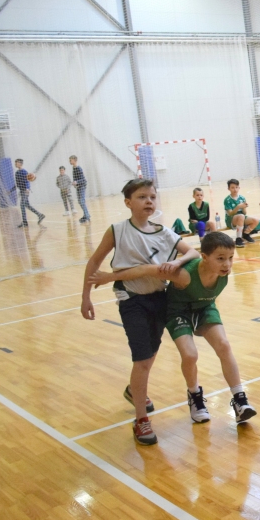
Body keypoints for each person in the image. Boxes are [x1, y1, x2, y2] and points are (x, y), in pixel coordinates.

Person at [89, 231, 257, 426]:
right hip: (178, 312)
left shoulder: (222, 273)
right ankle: (195, 396)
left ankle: (240, 400)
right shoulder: (184, 275)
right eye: (220, 258)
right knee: (190, 355)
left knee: (224, 346)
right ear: (204, 257)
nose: (227, 264)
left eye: (230, 258)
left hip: (204, 307)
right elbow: (146, 270)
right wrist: (109, 277)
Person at [81, 178, 199, 445]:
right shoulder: (118, 230)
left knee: (150, 354)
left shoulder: (163, 232)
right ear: (128, 202)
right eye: (142, 197)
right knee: (143, 359)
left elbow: (192, 252)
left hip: (160, 298)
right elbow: (95, 261)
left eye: (152, 197)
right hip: (132, 300)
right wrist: (86, 297)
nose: (149, 201)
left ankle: (133, 390)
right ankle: (141, 420)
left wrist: (178, 261)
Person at [224, 179, 259, 248]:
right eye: (232, 187)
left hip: (241, 217)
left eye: (236, 187)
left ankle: (246, 234)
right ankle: (238, 238)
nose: (235, 189)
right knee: (241, 216)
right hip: (231, 219)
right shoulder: (227, 200)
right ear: (228, 189)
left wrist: (243, 207)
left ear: (239, 188)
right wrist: (238, 207)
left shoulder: (242, 198)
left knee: (256, 220)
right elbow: (230, 213)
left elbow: (244, 213)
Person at [11, 159, 44, 228]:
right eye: (15, 163)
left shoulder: (24, 172)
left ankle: (24, 222)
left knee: (22, 205)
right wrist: (11, 190)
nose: (15, 164)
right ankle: (40, 215)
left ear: (20, 163)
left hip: (25, 191)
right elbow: (17, 183)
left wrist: (27, 188)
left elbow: (27, 181)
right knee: (27, 205)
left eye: (16, 163)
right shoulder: (17, 173)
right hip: (22, 191)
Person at [70, 155, 90, 223]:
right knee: (80, 201)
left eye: (71, 160)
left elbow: (83, 179)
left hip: (82, 186)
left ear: (75, 160)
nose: (70, 161)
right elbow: (75, 178)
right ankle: (86, 215)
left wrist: (77, 182)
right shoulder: (73, 168)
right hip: (78, 187)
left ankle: (87, 216)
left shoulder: (79, 168)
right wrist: (74, 183)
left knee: (82, 201)